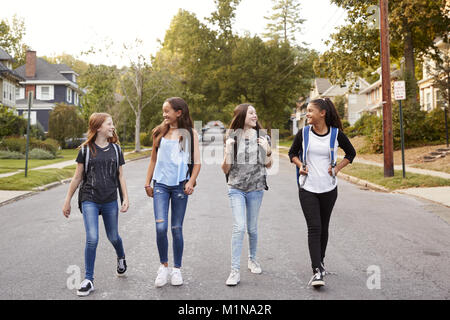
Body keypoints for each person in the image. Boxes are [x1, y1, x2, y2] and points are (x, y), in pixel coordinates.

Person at [288, 98, 356, 288]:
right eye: (307, 111)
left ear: (322, 113)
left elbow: (351, 153)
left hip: (328, 188)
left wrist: (337, 169)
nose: (307, 114)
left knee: (324, 227)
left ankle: (321, 262)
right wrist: (300, 165)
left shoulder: (335, 134)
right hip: (307, 187)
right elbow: (292, 153)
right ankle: (316, 271)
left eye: (310, 111)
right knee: (314, 227)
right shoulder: (304, 133)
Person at [62, 113, 129, 297]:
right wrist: (67, 200)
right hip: (89, 198)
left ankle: (121, 257)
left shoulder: (116, 149)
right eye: (109, 124)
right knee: (92, 238)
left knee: (113, 236)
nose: (112, 127)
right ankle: (89, 279)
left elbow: (120, 176)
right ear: (99, 127)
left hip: (109, 199)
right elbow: (77, 177)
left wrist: (125, 198)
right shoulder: (85, 150)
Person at [144, 97, 201, 287]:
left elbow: (197, 162)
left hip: (179, 186)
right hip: (160, 185)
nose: (164, 114)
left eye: (167, 111)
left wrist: (191, 182)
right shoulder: (159, 132)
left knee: (176, 228)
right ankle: (163, 266)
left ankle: (176, 269)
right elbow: (152, 160)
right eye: (163, 111)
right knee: (161, 227)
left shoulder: (190, 134)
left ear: (179, 112)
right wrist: (147, 182)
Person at [221, 103, 272, 286]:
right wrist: (227, 150)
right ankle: (234, 270)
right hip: (236, 187)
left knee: (252, 228)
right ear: (242, 115)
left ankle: (252, 259)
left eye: (255, 112)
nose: (255, 115)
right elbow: (225, 169)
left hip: (256, 188)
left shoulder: (262, 136)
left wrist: (267, 149)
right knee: (239, 227)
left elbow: (268, 165)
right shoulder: (231, 137)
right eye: (251, 112)